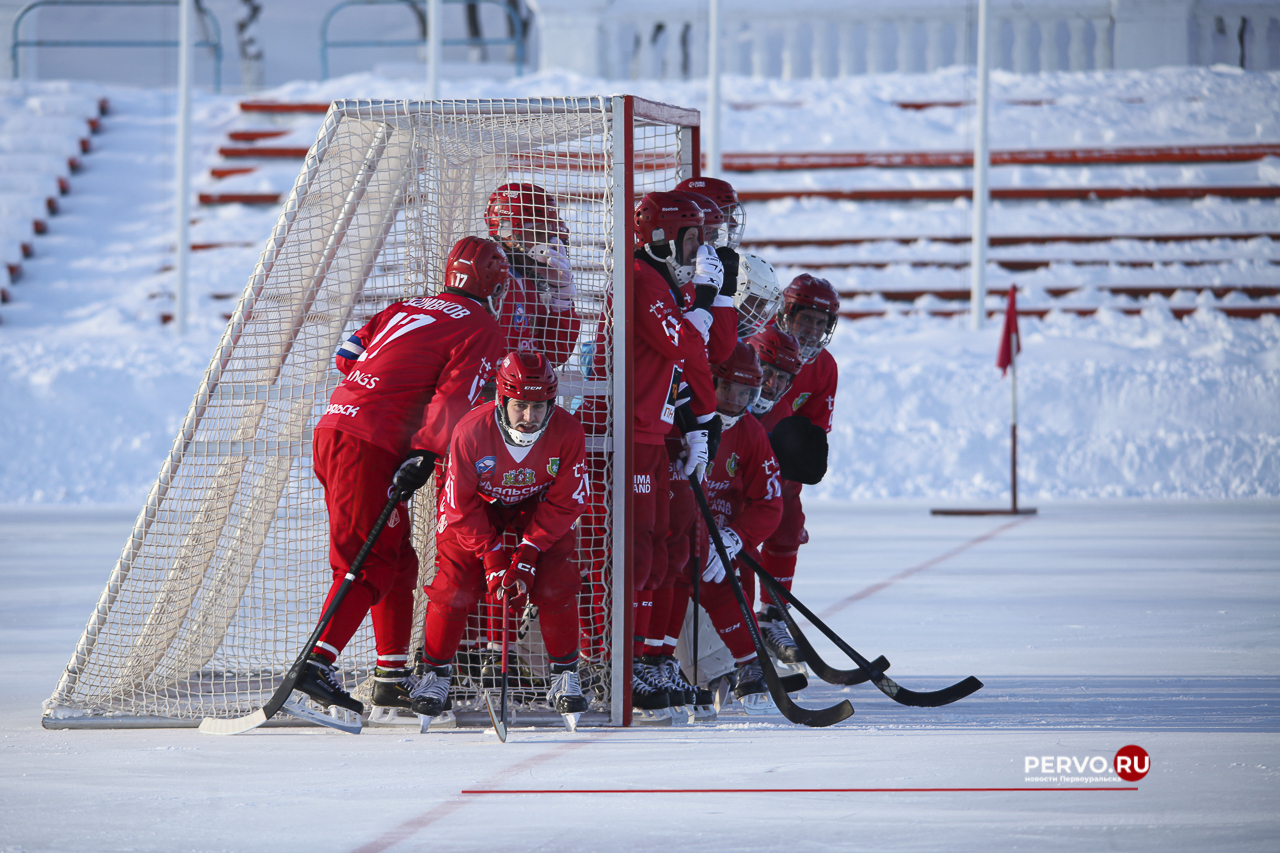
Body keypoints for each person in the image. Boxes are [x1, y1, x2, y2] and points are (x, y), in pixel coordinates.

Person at [294, 236, 510, 716]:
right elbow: (456, 395)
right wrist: (427, 451)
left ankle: (391, 675)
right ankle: (317, 663)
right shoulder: (481, 325)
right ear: (493, 286)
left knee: (397, 559)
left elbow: (347, 357)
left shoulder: (404, 306)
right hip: (371, 444)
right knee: (367, 559)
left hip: (336, 427)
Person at [409, 351, 591, 724]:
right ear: (502, 400)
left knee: (555, 582)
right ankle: (434, 674)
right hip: (479, 507)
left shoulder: (568, 431)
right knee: (455, 584)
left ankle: (565, 676)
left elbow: (567, 500)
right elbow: (459, 505)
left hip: (537, 506)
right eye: (520, 406)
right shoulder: (471, 431)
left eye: (539, 407)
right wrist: (492, 558)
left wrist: (528, 554)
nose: (529, 417)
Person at [689, 342, 784, 713]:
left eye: (745, 392)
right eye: (727, 387)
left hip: (722, 543)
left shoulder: (751, 433)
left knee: (729, 580)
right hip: (680, 535)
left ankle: (745, 662)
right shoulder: (682, 421)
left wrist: (735, 536)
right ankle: (664, 664)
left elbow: (770, 504)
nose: (734, 400)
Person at [753, 274, 841, 664]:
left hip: (771, 452)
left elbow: (811, 434)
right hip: (734, 446)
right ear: (787, 313)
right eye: (807, 319)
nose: (813, 330)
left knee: (788, 517)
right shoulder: (758, 343)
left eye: (821, 323)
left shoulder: (824, 367)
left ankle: (772, 614)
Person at [485, 182, 581, 366]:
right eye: (537, 233)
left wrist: (562, 296)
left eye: (549, 234)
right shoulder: (489, 279)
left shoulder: (527, 281)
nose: (548, 243)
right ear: (506, 231)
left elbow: (553, 356)